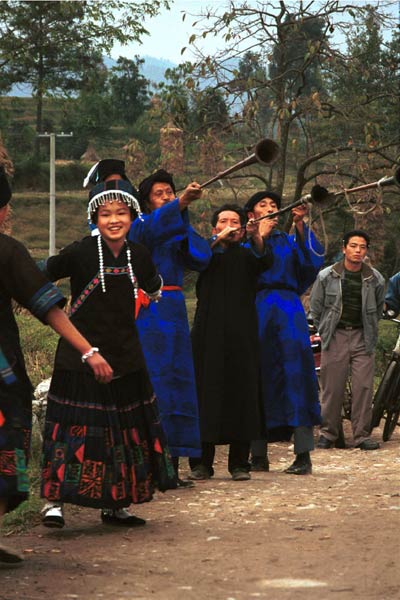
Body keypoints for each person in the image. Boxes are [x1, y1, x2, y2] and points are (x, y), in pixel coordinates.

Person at [40, 175, 177, 530]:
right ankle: (54, 502)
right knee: (72, 429)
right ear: (95, 220)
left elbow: (154, 286)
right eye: (105, 215)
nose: (114, 220)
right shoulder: (80, 251)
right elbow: (42, 274)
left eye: (121, 213)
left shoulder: (139, 255)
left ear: (132, 216)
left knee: (121, 431)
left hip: (125, 355)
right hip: (79, 355)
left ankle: (117, 503)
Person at [0, 166, 113, 565]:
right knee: (5, 445)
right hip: (2, 373)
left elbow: (45, 303)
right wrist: (89, 351)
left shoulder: (8, 251)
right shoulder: (7, 250)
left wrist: (86, 351)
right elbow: (48, 309)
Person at [128, 169, 211, 487]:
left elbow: (200, 258)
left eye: (169, 191)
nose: (165, 196)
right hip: (148, 311)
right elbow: (147, 234)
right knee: (155, 383)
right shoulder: (139, 227)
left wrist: (183, 213)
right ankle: (149, 464)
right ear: (147, 200)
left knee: (179, 384)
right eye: (159, 193)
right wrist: (177, 206)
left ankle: (172, 464)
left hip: (174, 313)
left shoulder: (176, 226)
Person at [189, 204, 273, 481]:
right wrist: (217, 240)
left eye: (234, 222)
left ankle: (240, 463)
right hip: (207, 333)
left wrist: (256, 235)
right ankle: (201, 462)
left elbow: (264, 261)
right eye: (223, 221)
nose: (229, 225)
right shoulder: (205, 253)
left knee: (242, 393)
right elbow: (195, 261)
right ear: (214, 228)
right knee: (205, 391)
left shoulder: (248, 255)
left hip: (242, 334)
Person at [245, 191, 324, 475]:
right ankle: (257, 454)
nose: (271, 209)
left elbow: (311, 265)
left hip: (289, 311)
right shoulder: (243, 239)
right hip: (258, 309)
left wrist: (301, 225)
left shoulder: (290, 241)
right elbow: (244, 269)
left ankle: (303, 455)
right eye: (263, 205)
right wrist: (258, 237)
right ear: (251, 214)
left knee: (297, 376)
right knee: (259, 376)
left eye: (274, 205)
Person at [310, 230, 385, 450]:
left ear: (366, 251)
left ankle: (362, 435)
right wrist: (324, 330)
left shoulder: (375, 278)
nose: (358, 251)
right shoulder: (327, 276)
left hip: (363, 336)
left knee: (363, 386)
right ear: (344, 248)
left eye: (362, 247)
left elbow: (378, 308)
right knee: (332, 387)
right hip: (336, 335)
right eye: (353, 246)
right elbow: (316, 308)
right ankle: (328, 433)